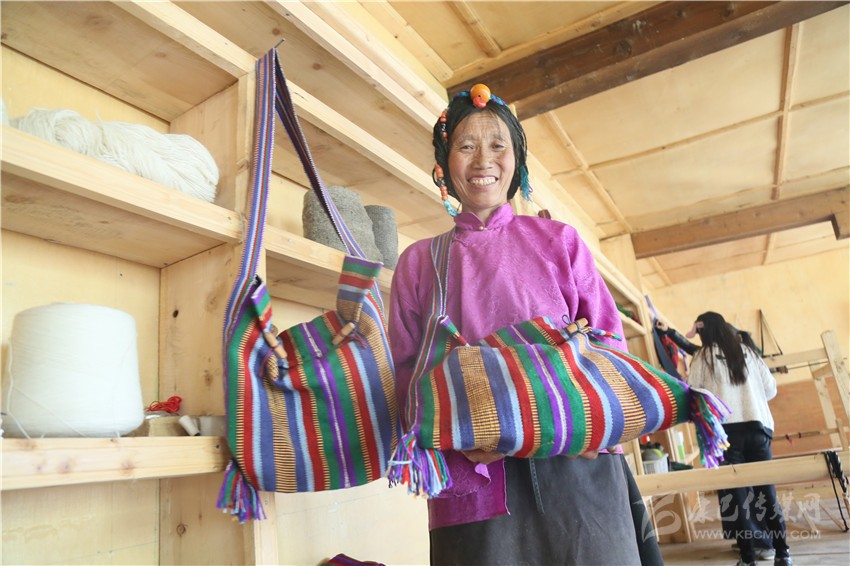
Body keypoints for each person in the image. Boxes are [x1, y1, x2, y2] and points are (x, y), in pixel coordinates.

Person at [388, 85, 662, 565]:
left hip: (578, 467)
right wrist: (456, 434)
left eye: (498, 145)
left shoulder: (560, 241)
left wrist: (591, 426)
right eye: (466, 145)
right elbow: (403, 375)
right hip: (472, 478)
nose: (483, 160)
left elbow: (608, 341)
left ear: (517, 161)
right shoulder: (418, 263)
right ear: (444, 163)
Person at [686, 311, 792, 566]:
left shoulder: (702, 357)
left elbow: (694, 392)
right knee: (767, 493)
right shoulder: (748, 352)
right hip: (758, 428)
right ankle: (783, 554)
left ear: (703, 332)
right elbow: (771, 389)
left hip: (726, 433)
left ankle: (748, 558)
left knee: (738, 498)